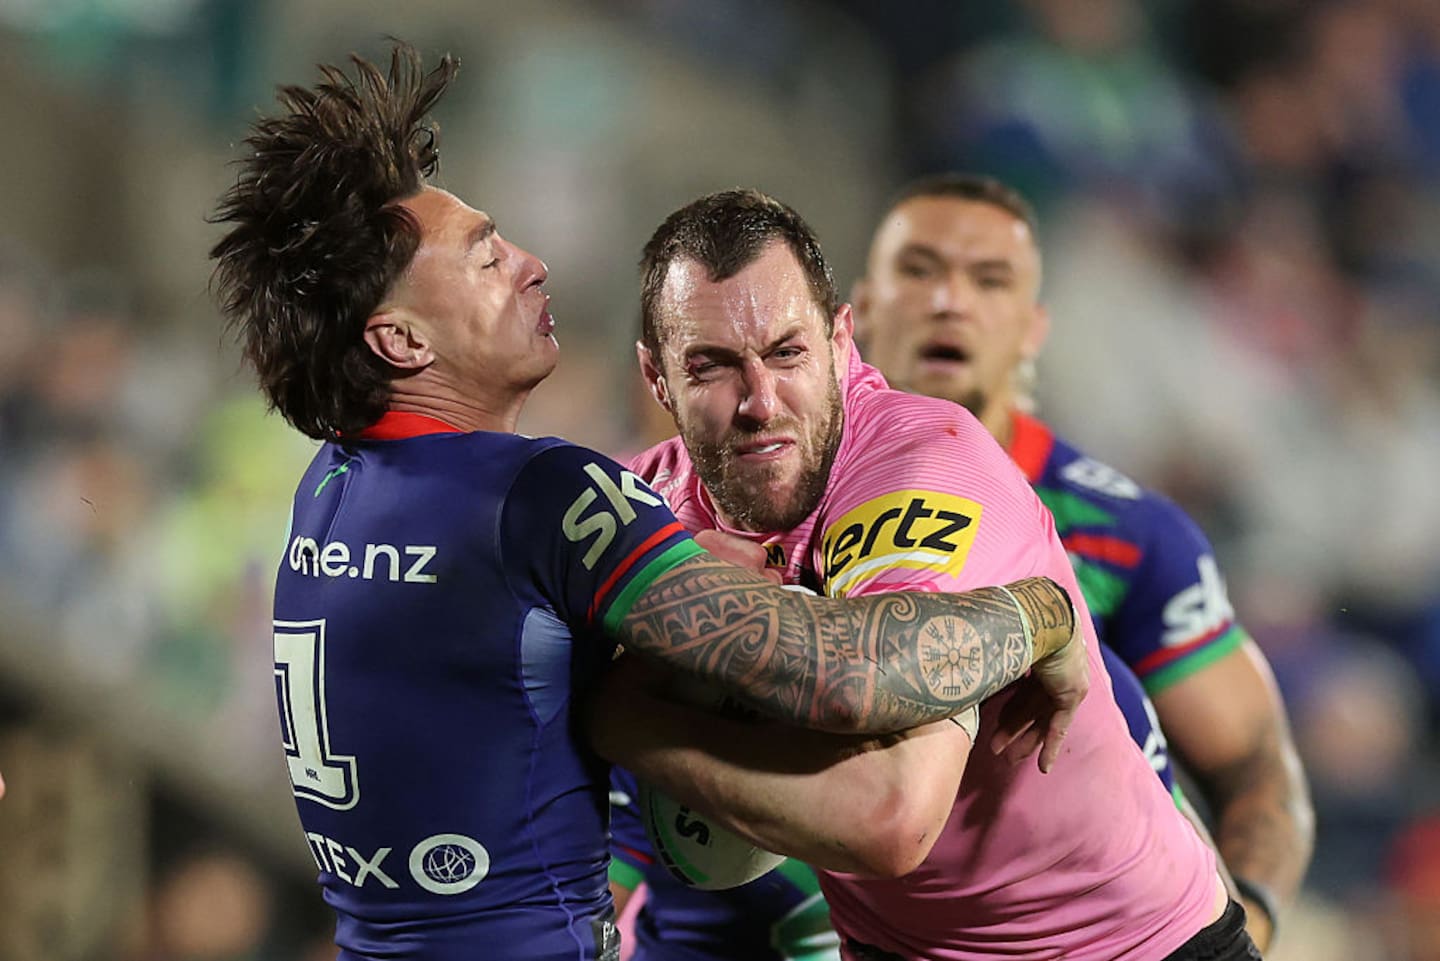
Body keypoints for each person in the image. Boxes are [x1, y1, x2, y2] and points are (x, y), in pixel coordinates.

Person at [206, 48, 1085, 961]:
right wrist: (1040, 613)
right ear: (400, 340)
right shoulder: (542, 496)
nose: (532, 265)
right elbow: (842, 676)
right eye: (487, 257)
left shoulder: (328, 487)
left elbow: (492, 660)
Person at [592, 188, 1258, 960]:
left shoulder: (923, 463)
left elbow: (889, 817)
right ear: (657, 376)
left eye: (787, 352)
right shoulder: (638, 505)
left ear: (842, 340)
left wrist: (622, 715)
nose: (760, 402)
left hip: (1126, 947)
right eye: (712, 366)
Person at [851, 173, 1314, 953]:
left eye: (989, 280)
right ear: (859, 308)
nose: (949, 301)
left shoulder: (1129, 536)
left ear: (1033, 326)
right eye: (919, 270)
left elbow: (1258, 769)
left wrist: (1244, 927)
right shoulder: (786, 505)